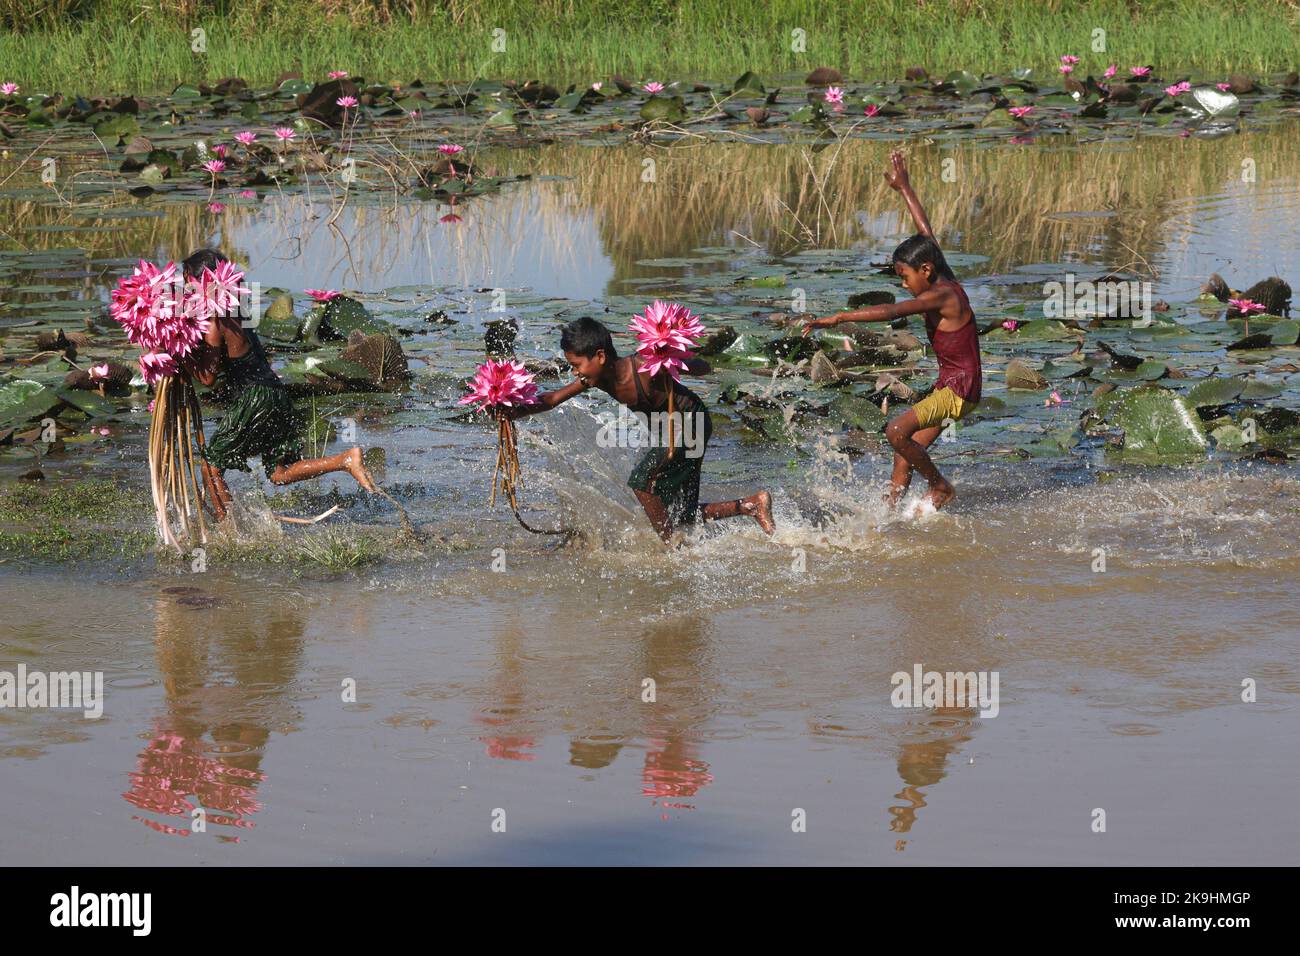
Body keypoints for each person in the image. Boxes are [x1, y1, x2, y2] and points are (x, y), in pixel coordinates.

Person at [803, 151, 981, 510]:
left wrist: (839, 318)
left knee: (895, 432)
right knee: (906, 450)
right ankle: (889, 517)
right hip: (952, 385)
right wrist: (905, 189)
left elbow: (893, 310)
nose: (903, 284)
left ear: (926, 270)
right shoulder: (939, 274)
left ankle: (940, 486)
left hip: (960, 390)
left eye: (905, 277)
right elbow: (925, 232)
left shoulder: (942, 296)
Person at [510, 316, 775, 543]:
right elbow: (553, 399)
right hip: (673, 432)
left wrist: (673, 360)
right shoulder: (596, 379)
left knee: (641, 482)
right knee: (683, 515)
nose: (574, 372)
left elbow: (703, 367)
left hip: (692, 422)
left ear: (600, 356)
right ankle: (752, 505)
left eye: (577, 365)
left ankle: (672, 548)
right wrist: (513, 408)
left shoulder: (645, 365)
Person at [179, 248, 377, 521]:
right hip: (275, 394)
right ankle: (344, 460)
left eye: (189, 284)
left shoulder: (216, 321)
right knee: (279, 472)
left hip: (254, 398)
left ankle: (231, 531)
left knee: (210, 466)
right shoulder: (239, 311)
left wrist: (179, 353)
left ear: (207, 283)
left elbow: (207, 378)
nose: (186, 293)